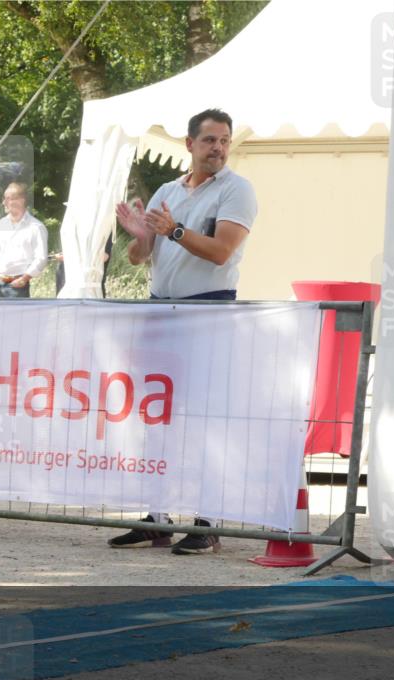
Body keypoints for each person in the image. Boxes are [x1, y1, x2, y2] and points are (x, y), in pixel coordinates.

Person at [113, 107, 258, 555]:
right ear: (190, 145)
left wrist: (172, 229)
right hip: (162, 312)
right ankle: (157, 518)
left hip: (207, 311)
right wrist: (140, 235)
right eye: (210, 140)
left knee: (204, 420)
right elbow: (139, 258)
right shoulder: (167, 189)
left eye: (225, 140)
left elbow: (220, 252)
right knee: (157, 417)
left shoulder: (237, 190)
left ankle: (208, 521)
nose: (218, 148)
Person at [0, 182, 48, 298]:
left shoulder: (36, 227)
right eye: (4, 198)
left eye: (9, 199)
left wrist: (25, 278)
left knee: (18, 317)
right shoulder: (0, 225)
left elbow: (41, 258)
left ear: (21, 200)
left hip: (17, 285)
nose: (4, 202)